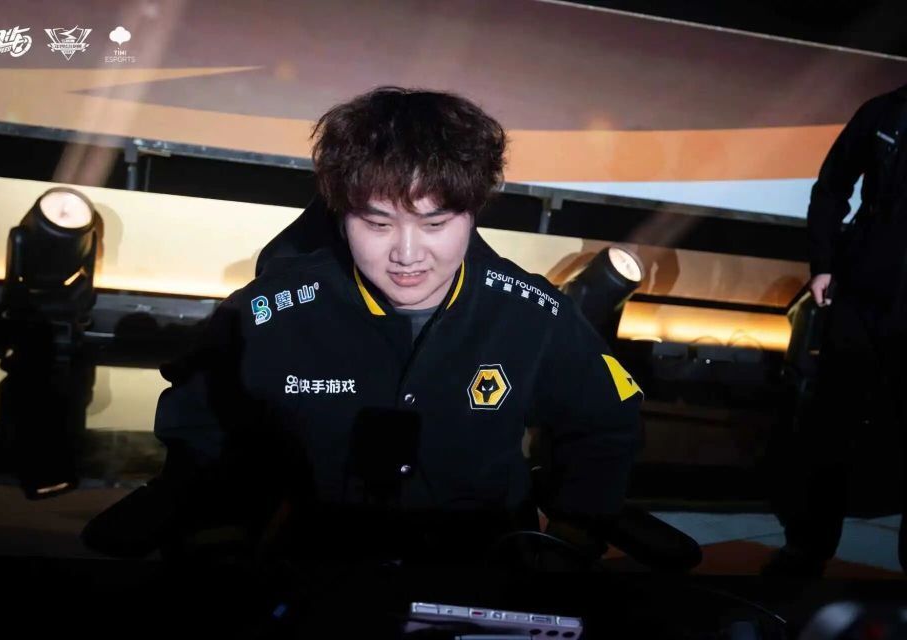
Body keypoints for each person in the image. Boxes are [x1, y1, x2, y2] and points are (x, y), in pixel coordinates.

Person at [83, 86, 643, 565]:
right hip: (310, 561)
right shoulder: (269, 313)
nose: (407, 254)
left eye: (435, 224)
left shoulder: (532, 315)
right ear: (340, 212)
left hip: (481, 566)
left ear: (474, 211)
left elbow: (606, 421)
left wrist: (573, 534)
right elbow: (200, 425)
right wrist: (218, 537)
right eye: (377, 223)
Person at [766, 83, 907, 577]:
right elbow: (832, 186)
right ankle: (807, 547)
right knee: (832, 423)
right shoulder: (883, 112)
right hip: (861, 291)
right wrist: (823, 262)